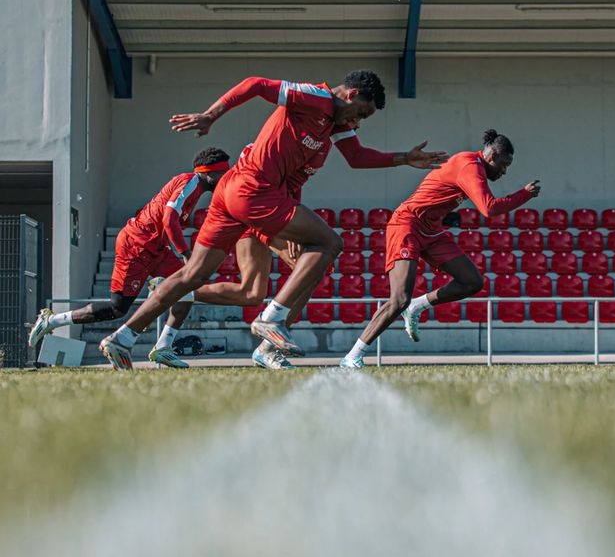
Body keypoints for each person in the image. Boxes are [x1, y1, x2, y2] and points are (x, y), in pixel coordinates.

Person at [114, 71, 448, 367]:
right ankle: (272, 322)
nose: (359, 122)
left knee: (198, 276)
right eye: (361, 113)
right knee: (329, 243)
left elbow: (357, 157)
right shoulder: (314, 97)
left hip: (240, 195)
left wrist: (404, 158)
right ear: (351, 95)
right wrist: (210, 115)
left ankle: (123, 338)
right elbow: (256, 84)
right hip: (253, 192)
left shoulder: (336, 123)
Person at [341, 129, 541, 368]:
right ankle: (352, 357)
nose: (505, 171)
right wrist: (524, 195)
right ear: (492, 156)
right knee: (399, 298)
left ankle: (417, 305)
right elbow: (488, 208)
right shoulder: (470, 165)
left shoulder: (473, 165)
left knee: (472, 281)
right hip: (407, 224)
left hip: (431, 230)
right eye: (504, 164)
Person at [29, 147, 230, 370]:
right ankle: (52, 321)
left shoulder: (197, 191)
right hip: (136, 244)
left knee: (187, 289)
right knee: (117, 308)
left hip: (157, 248)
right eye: (223, 173)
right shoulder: (190, 182)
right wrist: (185, 254)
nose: (226, 178)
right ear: (208, 172)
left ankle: (163, 347)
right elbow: (169, 218)